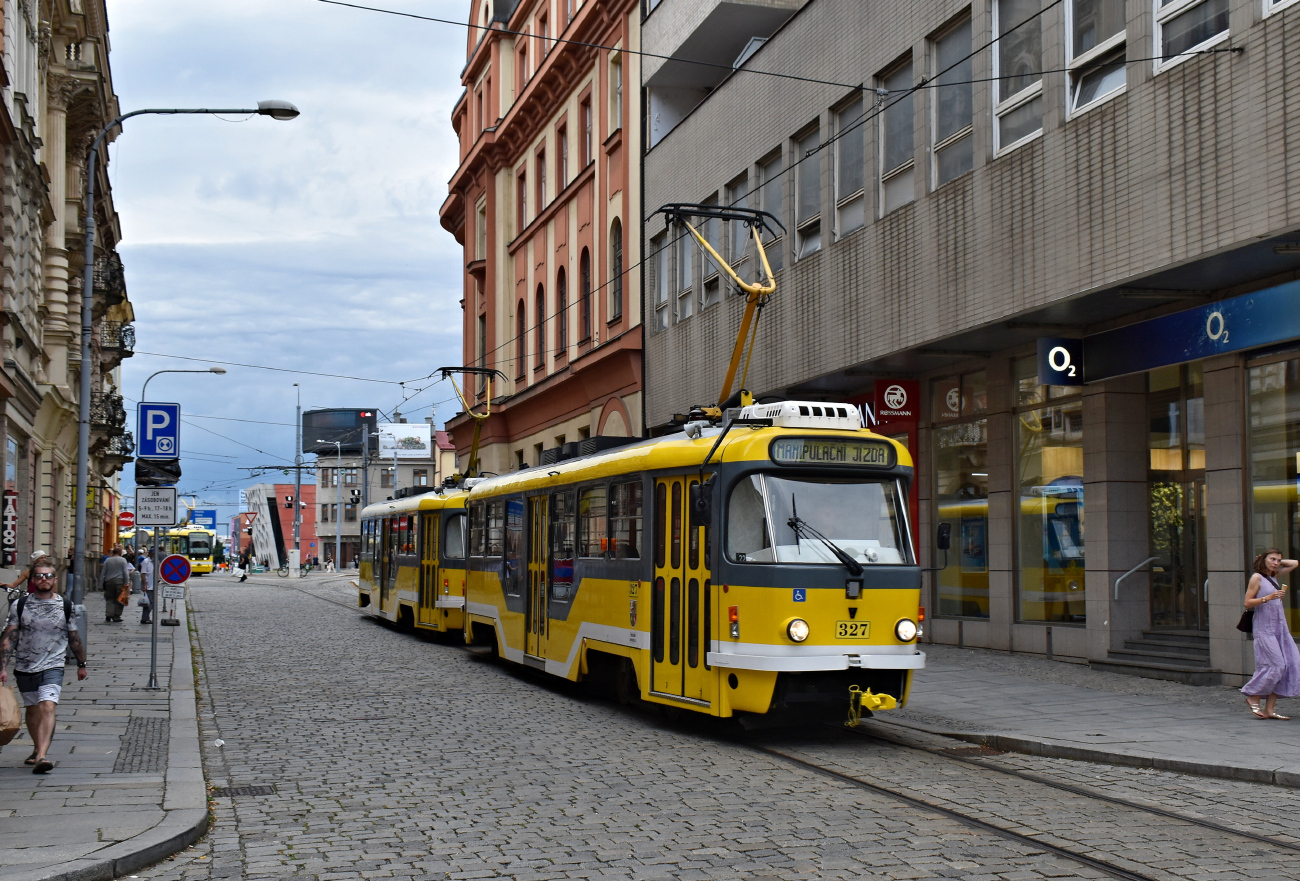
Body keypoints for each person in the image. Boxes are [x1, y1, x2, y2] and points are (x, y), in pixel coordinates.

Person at [0, 559, 87, 773]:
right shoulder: (20, 605)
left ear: (55, 580)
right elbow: (9, 638)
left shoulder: (65, 605)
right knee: (32, 710)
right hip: (25, 666)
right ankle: (37, 748)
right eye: (39, 576)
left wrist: (81, 663)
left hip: (53, 665)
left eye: (48, 576)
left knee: (48, 706)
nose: (44, 579)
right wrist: (2, 666)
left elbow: (74, 637)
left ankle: (42, 756)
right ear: (32, 580)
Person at [1243, 548, 1300, 720]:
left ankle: (1269, 709)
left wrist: (1276, 564)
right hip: (1264, 628)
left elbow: (1295, 563)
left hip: (1280, 628)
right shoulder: (1257, 578)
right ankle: (1252, 694)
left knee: (1290, 663)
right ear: (1263, 559)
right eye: (1272, 559)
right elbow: (1247, 603)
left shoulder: (1273, 576)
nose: (1276, 563)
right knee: (1277, 665)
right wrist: (1268, 597)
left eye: (1278, 560)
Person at [99, 547, 132, 623]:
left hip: (109, 581)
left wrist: (100, 585)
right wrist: (127, 583)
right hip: (120, 581)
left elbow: (103, 573)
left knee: (109, 598)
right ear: (120, 552)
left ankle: (109, 614)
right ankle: (116, 616)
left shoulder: (107, 560)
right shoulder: (123, 560)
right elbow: (125, 572)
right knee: (120, 599)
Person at [138, 551, 154, 625]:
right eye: (153, 553)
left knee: (151, 603)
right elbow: (143, 574)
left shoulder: (155, 561)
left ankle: (146, 618)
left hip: (153, 585)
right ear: (150, 554)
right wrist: (144, 585)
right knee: (148, 603)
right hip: (148, 586)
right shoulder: (146, 561)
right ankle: (145, 618)